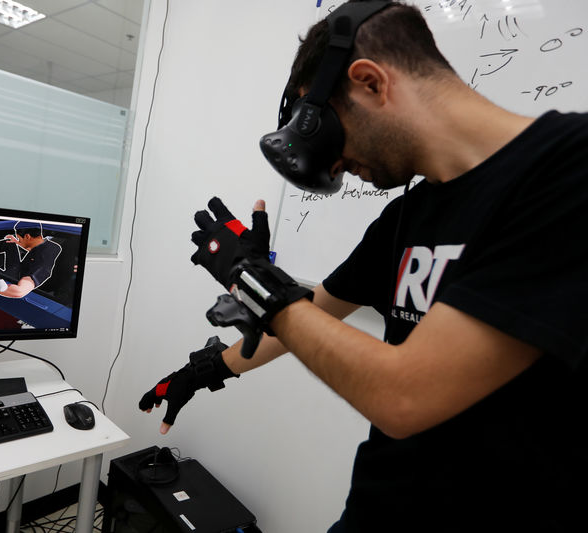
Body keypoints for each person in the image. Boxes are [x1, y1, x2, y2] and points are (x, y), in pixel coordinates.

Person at [139, 1, 588, 531]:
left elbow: (405, 395)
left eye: (327, 133)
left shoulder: (568, 170)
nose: (335, 167)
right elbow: (311, 319)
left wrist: (257, 282)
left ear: (371, 82)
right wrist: (205, 371)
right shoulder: (408, 215)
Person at [0, 225, 62, 301]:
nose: (19, 241)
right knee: (9, 243)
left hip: (15, 279)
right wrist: (17, 242)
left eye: (20, 239)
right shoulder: (50, 245)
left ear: (27, 236)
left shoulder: (42, 266)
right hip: (20, 268)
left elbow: (19, 292)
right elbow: (34, 248)